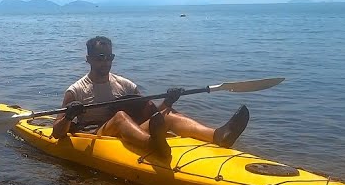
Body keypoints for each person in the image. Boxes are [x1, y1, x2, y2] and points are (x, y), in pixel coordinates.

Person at [51, 36, 250, 156]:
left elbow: (152, 116)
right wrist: (69, 115)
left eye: (109, 57)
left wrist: (168, 101)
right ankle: (152, 145)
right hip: (98, 136)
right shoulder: (75, 90)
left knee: (168, 115)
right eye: (100, 58)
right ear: (89, 59)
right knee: (120, 116)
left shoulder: (125, 85)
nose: (106, 62)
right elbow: (57, 133)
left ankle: (217, 135)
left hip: (130, 130)